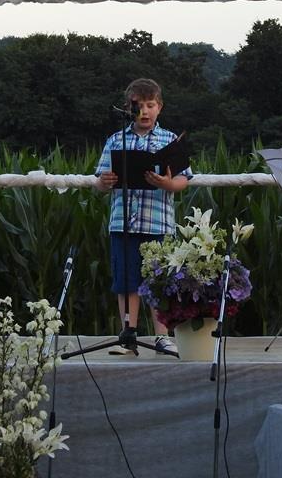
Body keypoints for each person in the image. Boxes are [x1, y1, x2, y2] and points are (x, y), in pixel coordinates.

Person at [95, 78, 190, 356]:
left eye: (150, 105)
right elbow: (99, 182)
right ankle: (129, 335)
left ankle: (162, 336)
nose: (145, 111)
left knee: (159, 281)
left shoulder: (169, 139)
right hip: (122, 222)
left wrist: (167, 184)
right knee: (126, 281)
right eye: (139, 106)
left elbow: (183, 180)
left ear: (160, 107)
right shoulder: (116, 139)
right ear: (128, 108)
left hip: (157, 223)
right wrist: (104, 182)